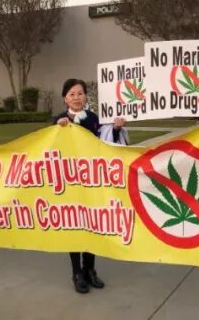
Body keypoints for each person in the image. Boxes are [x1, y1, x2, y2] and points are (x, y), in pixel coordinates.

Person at [54, 78, 127, 293]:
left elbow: (107, 142)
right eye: (72, 94)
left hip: (92, 180)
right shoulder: (58, 120)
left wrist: (115, 128)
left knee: (92, 224)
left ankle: (90, 270)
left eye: (80, 93)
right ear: (65, 99)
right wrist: (58, 128)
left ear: (86, 96)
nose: (77, 98)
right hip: (70, 182)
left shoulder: (96, 119)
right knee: (74, 226)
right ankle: (77, 272)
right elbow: (49, 145)